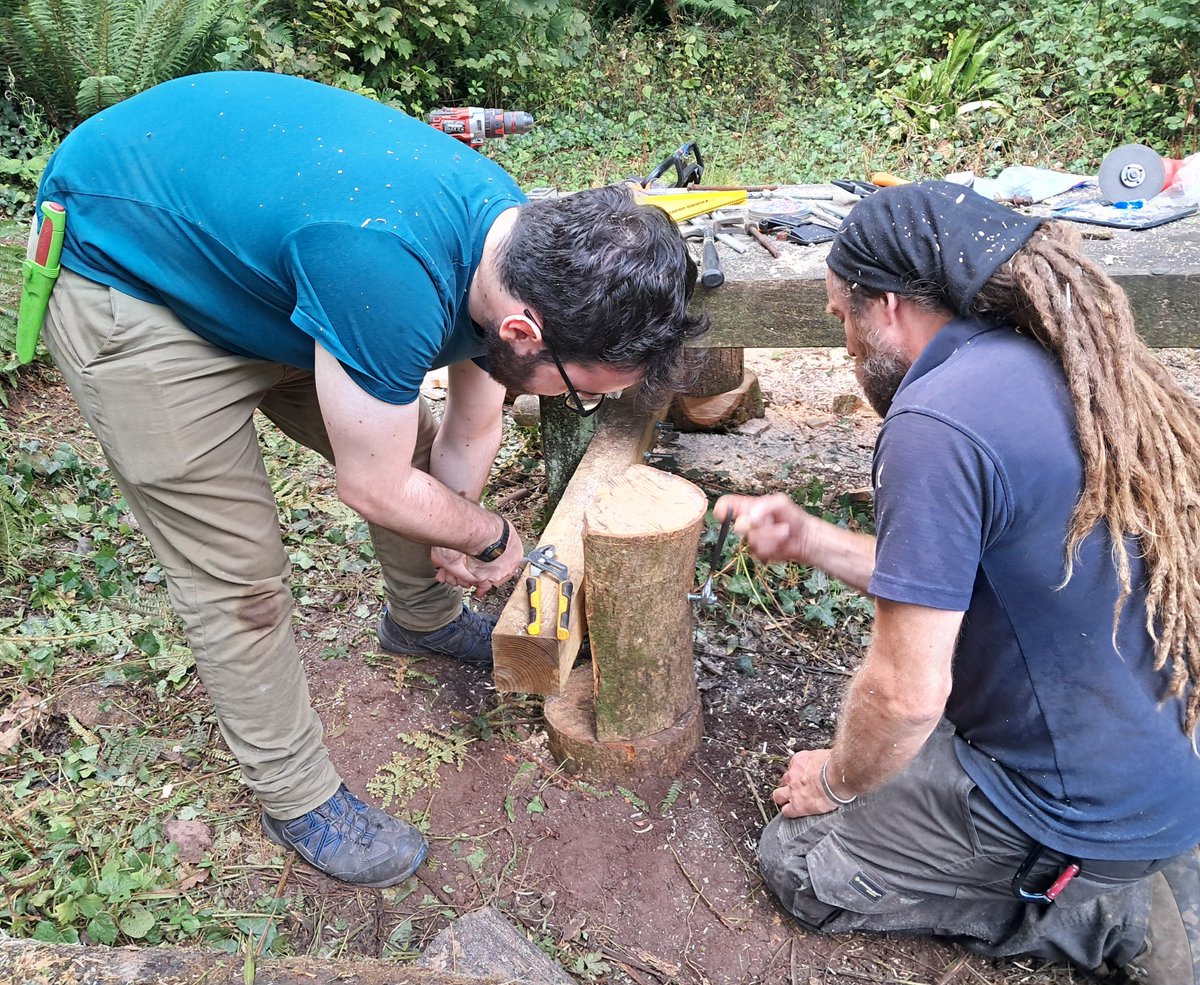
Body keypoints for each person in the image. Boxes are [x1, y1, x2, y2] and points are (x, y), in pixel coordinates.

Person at [33, 71, 708, 888]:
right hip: (135, 278)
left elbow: (469, 421)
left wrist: (457, 532)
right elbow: (374, 485)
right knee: (237, 577)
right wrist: (492, 534)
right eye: (579, 387)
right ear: (525, 330)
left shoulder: (513, 243)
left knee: (415, 450)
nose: (580, 402)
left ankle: (420, 620)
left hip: (277, 267)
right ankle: (296, 794)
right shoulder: (387, 274)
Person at [717, 181, 1200, 982]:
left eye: (842, 314)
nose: (841, 341)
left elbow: (907, 696)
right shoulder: (1036, 363)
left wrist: (839, 784)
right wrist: (807, 538)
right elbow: (950, 575)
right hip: (1146, 755)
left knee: (801, 858)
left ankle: (1106, 915)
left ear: (893, 307)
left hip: (1075, 813)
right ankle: (1137, 864)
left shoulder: (932, 423)